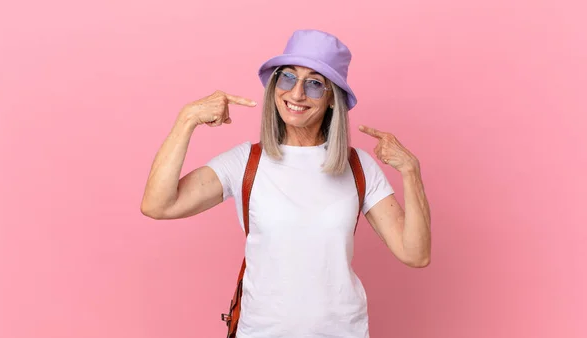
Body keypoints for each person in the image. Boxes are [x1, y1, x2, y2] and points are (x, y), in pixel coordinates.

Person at [140, 29, 431, 338]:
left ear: (333, 98)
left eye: (315, 83)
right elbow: (158, 205)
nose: (297, 94)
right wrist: (187, 119)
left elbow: (415, 254)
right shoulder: (245, 163)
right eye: (288, 77)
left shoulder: (358, 167)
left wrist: (411, 171)